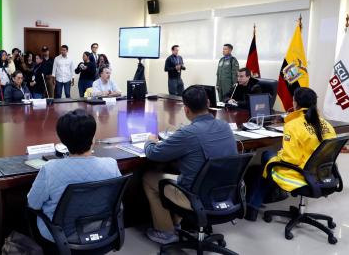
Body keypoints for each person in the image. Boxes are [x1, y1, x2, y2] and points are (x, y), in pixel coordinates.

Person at [142, 85, 237, 244]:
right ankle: (177, 223)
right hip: (224, 193)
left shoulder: (188, 133)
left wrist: (150, 141)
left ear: (186, 110)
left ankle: (166, 232)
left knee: (149, 177)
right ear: (207, 102)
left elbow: (153, 154)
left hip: (197, 198)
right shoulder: (225, 126)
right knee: (186, 172)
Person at [27, 109, 121, 242]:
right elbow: (117, 203)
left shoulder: (50, 169)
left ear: (63, 141)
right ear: (93, 138)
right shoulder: (111, 165)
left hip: (63, 236)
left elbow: (33, 204)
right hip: (102, 229)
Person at [245, 87, 337, 221]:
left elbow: (290, 159)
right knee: (268, 160)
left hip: (301, 173)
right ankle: (254, 205)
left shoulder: (293, 125)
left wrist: (278, 155)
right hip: (323, 173)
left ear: (295, 103)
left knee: (267, 160)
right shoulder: (327, 125)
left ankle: (252, 207)